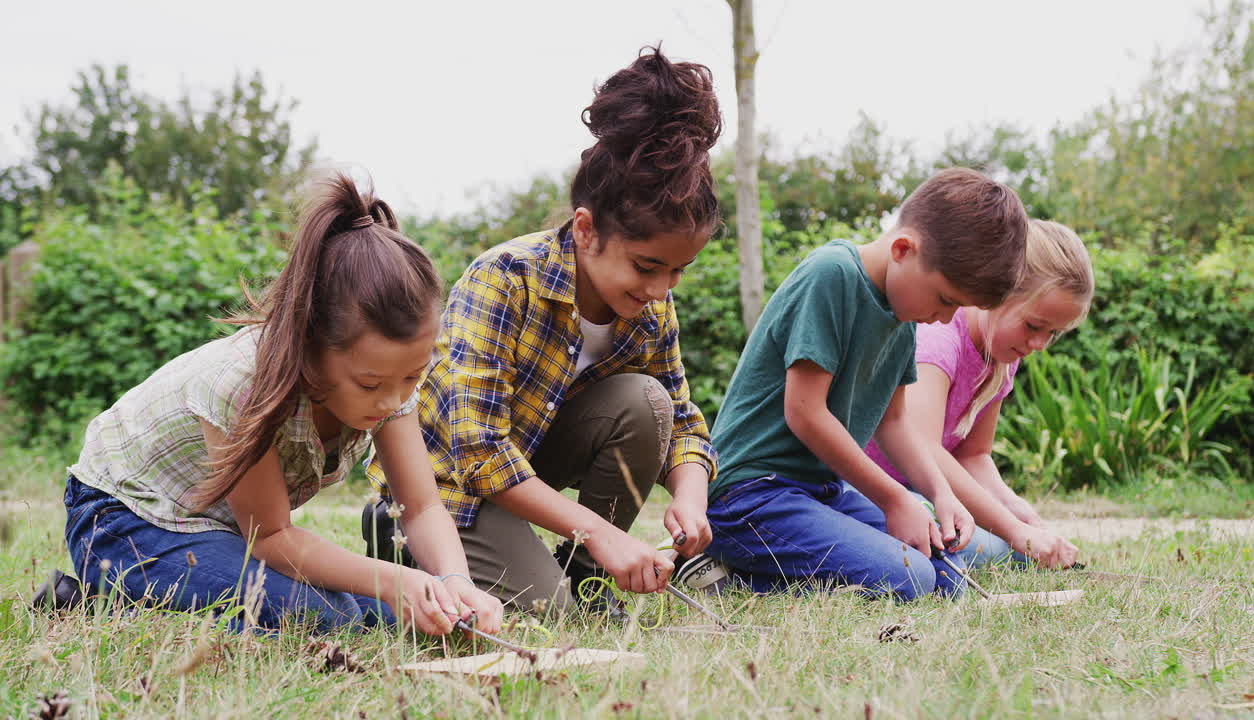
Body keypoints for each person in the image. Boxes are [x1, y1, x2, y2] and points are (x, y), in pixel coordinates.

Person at [56, 174, 503, 635]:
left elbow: (422, 507)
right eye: (370, 384)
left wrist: (454, 583)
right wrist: (394, 578)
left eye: (411, 376)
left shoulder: (389, 380)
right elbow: (270, 538)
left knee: (397, 615)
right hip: (124, 521)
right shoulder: (241, 383)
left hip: (222, 535)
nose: (393, 399)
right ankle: (96, 602)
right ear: (312, 345)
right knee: (324, 616)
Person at [364, 46, 721, 616]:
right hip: (450, 489)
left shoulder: (652, 308)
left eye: (678, 270)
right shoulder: (505, 279)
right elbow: (478, 452)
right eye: (647, 266)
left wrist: (690, 496)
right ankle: (396, 535)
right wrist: (600, 531)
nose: (661, 288)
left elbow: (680, 418)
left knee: (647, 402)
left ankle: (587, 576)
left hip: (531, 477)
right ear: (585, 230)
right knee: (545, 614)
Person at [699, 168, 1028, 600]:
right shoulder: (831, 275)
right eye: (946, 299)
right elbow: (805, 413)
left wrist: (940, 494)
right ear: (903, 249)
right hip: (751, 497)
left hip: (820, 493)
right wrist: (895, 500)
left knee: (948, 577)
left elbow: (892, 423)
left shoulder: (904, 317)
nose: (946, 319)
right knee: (909, 578)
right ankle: (723, 573)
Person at [865, 219, 1092, 570]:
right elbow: (926, 450)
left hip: (928, 497)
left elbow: (974, 455)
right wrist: (1011, 529)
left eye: (1053, 334)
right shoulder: (939, 339)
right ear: (996, 294)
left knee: (1013, 549)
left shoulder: (1002, 356)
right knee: (991, 547)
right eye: (1033, 326)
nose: (1039, 345)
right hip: (877, 491)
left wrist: (1018, 512)